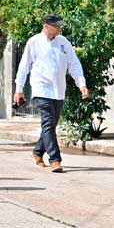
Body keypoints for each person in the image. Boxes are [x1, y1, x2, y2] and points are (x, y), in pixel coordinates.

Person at [14, 14, 89, 173]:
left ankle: (38, 152)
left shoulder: (64, 43)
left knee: (51, 125)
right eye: (56, 26)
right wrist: (19, 89)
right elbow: (24, 67)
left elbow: (74, 64)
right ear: (46, 26)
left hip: (58, 90)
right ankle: (55, 159)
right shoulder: (34, 42)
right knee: (48, 123)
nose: (60, 28)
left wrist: (81, 84)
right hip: (41, 89)